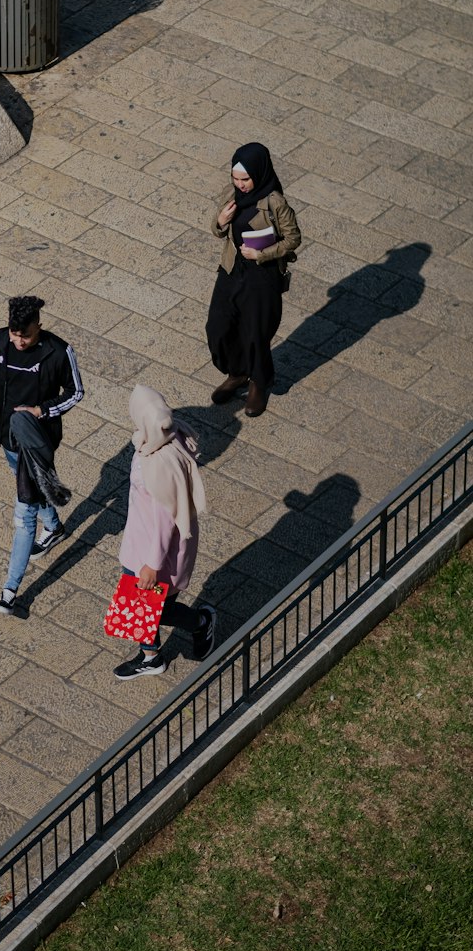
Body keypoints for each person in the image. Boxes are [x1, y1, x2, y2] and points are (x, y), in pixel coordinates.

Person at [0, 295, 84, 617]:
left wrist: (42, 410)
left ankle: (10, 591)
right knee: (34, 486)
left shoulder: (58, 351)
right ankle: (54, 526)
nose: (19, 341)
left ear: (38, 327)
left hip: (38, 443)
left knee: (24, 516)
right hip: (7, 439)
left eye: (25, 335)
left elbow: (76, 393)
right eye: (15, 334)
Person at [113, 386, 214, 680]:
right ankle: (151, 655)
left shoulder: (156, 465)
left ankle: (199, 622)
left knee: (155, 608)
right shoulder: (168, 437)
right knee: (143, 605)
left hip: (153, 553)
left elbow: (163, 520)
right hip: (144, 544)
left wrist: (151, 564)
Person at [206, 143, 302, 418]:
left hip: (262, 277)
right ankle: (237, 372)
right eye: (235, 178)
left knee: (254, 333)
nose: (240, 185)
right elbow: (217, 229)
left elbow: (293, 238)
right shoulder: (230, 194)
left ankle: (259, 383)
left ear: (259, 174)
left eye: (245, 179)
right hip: (231, 269)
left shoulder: (275, 202)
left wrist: (262, 253)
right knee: (218, 327)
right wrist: (221, 221)